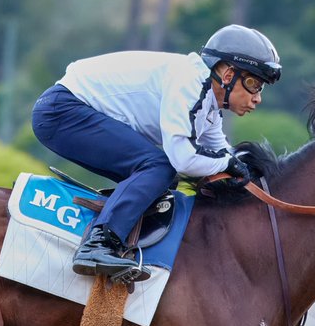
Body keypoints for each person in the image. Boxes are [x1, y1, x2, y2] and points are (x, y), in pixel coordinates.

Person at [31, 25, 282, 280]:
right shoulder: (189, 83)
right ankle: (98, 244)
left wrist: (245, 173)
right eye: (254, 84)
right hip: (62, 111)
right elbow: (184, 159)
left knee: (163, 179)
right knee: (159, 168)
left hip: (68, 110)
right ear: (228, 74)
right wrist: (227, 163)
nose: (257, 98)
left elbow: (222, 152)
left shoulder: (209, 105)